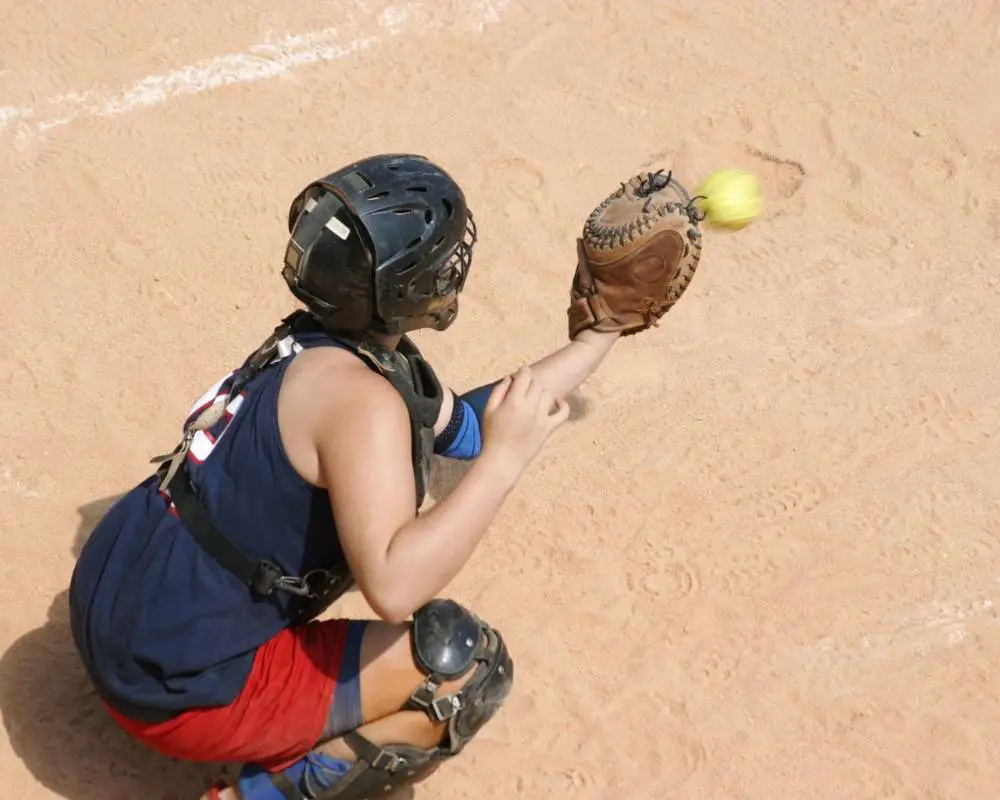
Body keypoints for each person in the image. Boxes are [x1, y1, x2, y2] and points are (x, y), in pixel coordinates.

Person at [68, 153, 620, 800]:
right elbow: (394, 584)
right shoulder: (364, 406)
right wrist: (505, 463)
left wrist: (598, 339)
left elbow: (468, 428)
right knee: (460, 669)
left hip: (117, 599)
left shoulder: (323, 346)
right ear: (409, 288)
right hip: (169, 687)